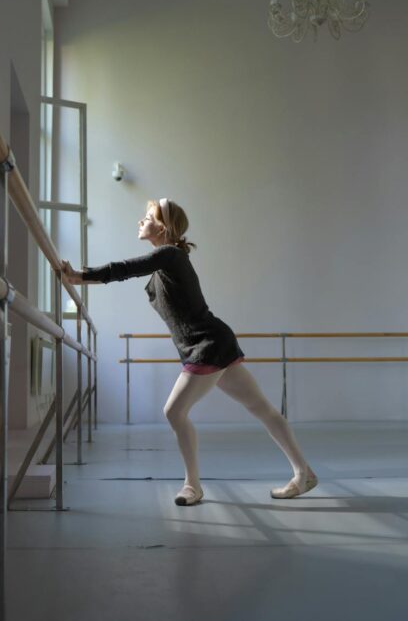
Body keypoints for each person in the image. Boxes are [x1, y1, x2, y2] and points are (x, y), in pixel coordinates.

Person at [61, 198, 318, 506]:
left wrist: (80, 276)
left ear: (164, 226)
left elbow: (126, 268)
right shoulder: (166, 261)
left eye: (148, 217)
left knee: (174, 411)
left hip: (207, 345)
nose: (141, 221)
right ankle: (304, 473)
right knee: (260, 408)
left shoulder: (170, 254)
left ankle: (192, 485)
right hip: (211, 341)